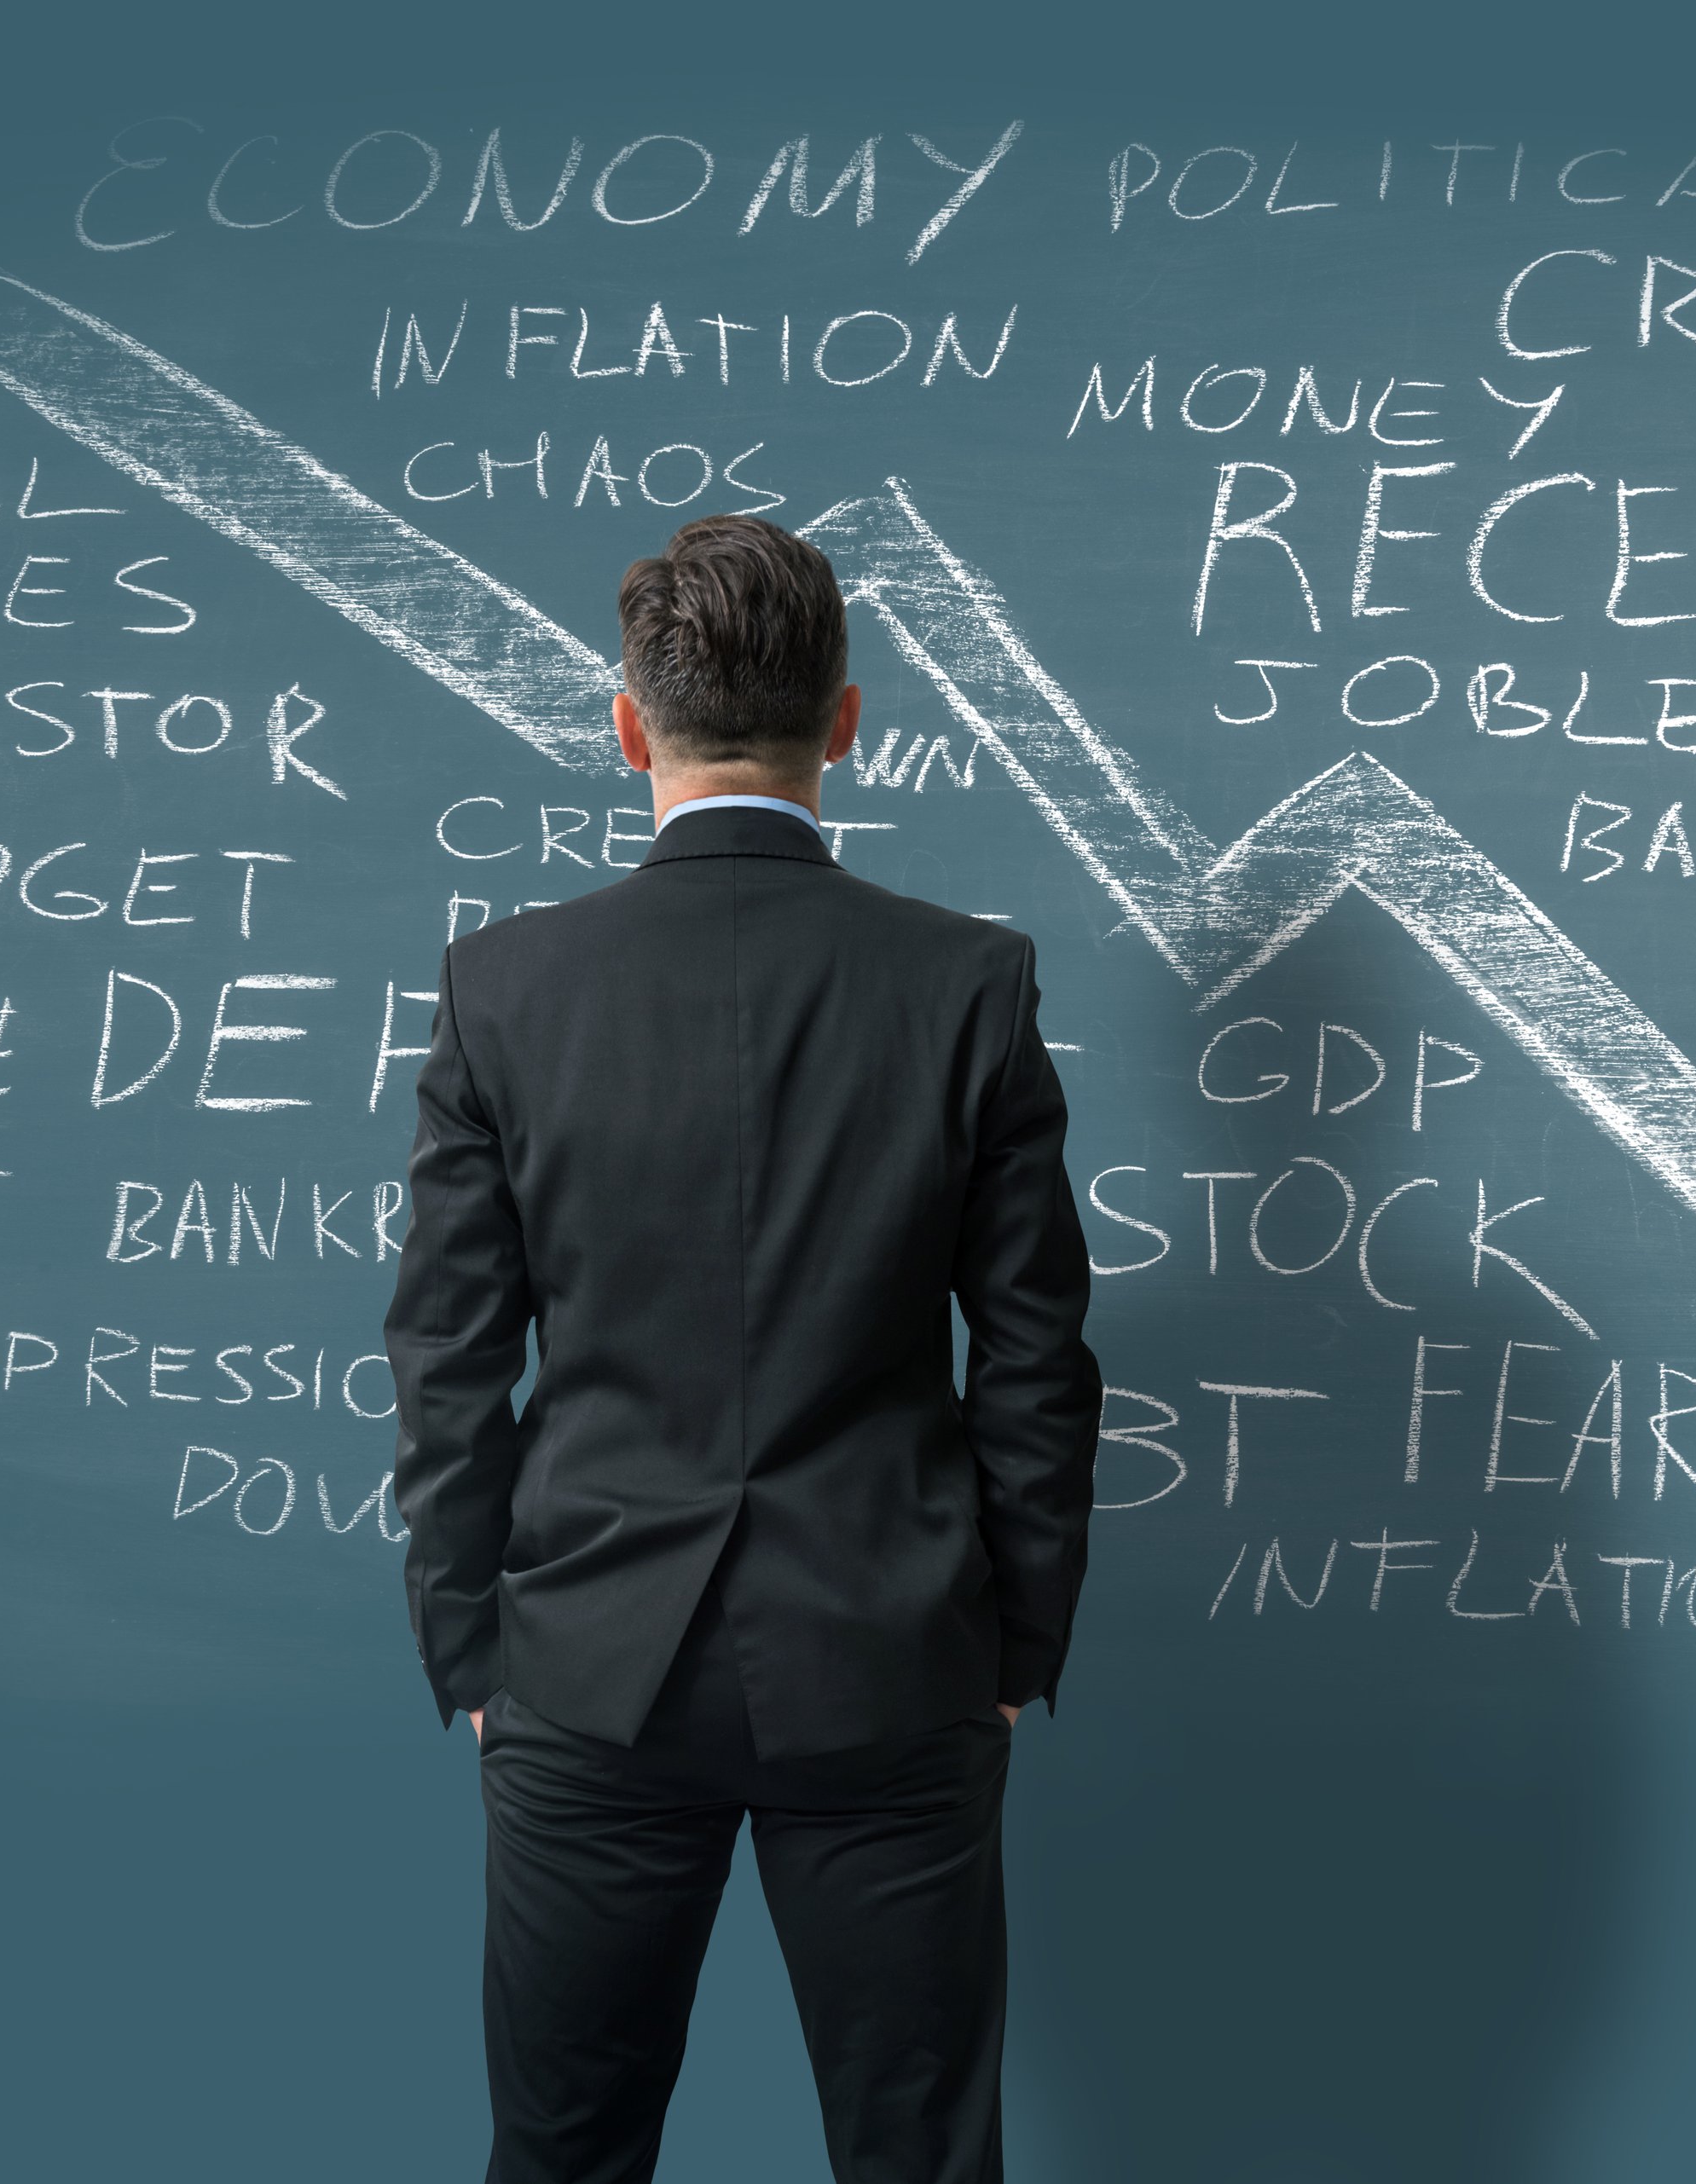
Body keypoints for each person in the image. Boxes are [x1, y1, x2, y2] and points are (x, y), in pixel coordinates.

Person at [385, 513, 1102, 2184]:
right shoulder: (971, 986)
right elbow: (1037, 1363)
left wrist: (472, 1650)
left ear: (627, 726)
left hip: (583, 1669)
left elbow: (446, 1356)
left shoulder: (504, 987)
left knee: (565, 2153)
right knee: (920, 2158)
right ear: (847, 721)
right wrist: (1015, 1647)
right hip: (898, 1653)